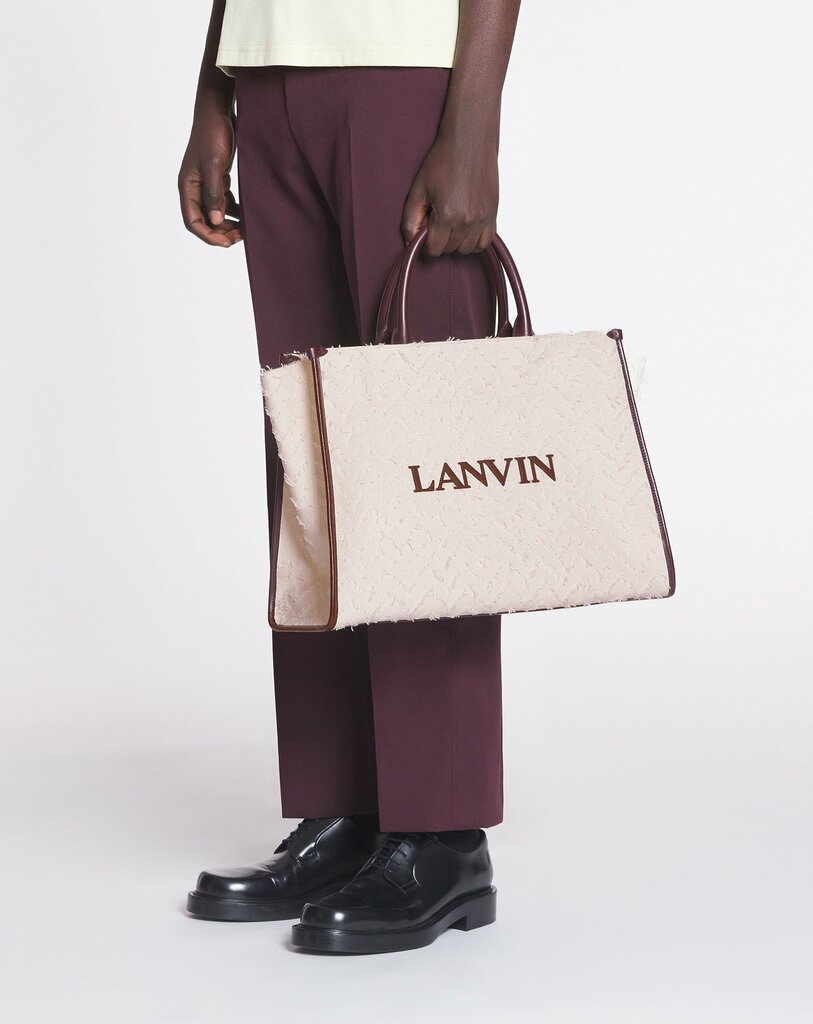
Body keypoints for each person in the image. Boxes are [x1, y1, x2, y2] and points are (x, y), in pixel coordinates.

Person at [178, 0, 522, 955]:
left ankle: (442, 833)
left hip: (403, 73)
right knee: (311, 458)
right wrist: (214, 92)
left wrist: (472, 128)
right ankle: (343, 812)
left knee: (419, 456)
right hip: (268, 79)